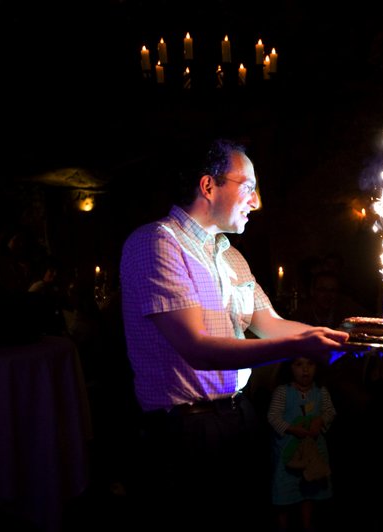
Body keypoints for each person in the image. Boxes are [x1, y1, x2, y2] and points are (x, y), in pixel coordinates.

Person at [119, 138, 349, 529]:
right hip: (184, 429)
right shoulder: (156, 243)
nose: (256, 201)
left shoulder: (230, 255)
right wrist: (302, 346)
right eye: (248, 187)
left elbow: (271, 324)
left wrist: (347, 336)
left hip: (238, 415)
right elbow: (198, 349)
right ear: (208, 186)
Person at [267, 356, 336, 532]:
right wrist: (291, 429)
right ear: (289, 368)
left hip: (313, 452)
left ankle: (307, 525)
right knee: (284, 491)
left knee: (309, 489)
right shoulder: (283, 391)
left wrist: (320, 421)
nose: (305, 369)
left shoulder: (320, 391)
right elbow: (273, 416)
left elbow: (330, 412)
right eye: (299, 364)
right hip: (288, 452)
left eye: (310, 363)